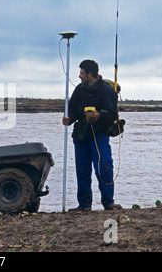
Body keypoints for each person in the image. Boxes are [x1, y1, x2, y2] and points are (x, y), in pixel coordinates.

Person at [62, 59, 122, 211]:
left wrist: (99, 115)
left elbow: (113, 114)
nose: (79, 76)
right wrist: (68, 118)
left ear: (90, 74)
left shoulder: (106, 90)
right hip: (80, 135)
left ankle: (108, 202)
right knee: (82, 171)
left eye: (82, 73)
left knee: (104, 166)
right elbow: (73, 109)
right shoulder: (79, 89)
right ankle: (84, 205)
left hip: (99, 135)